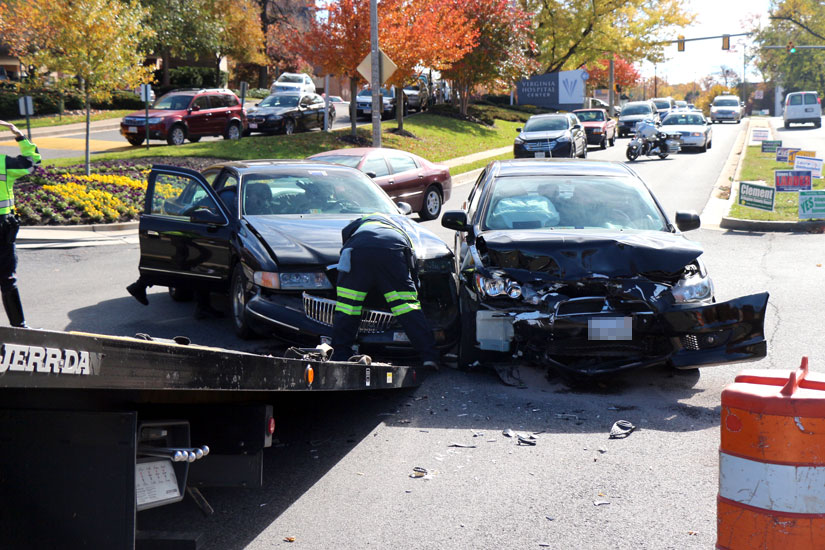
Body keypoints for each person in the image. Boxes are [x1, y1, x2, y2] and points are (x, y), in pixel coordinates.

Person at [331, 213, 439, 368]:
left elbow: (345, 241)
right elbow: (411, 264)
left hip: (356, 250)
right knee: (407, 307)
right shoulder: (400, 228)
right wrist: (413, 292)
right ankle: (429, 357)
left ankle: (340, 356)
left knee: (347, 307)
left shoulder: (357, 224)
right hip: (392, 251)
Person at [0, 120, 41, 327]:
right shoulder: (2, 163)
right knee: (7, 279)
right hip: (1, 228)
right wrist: (18, 135)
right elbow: (32, 161)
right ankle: (19, 328)